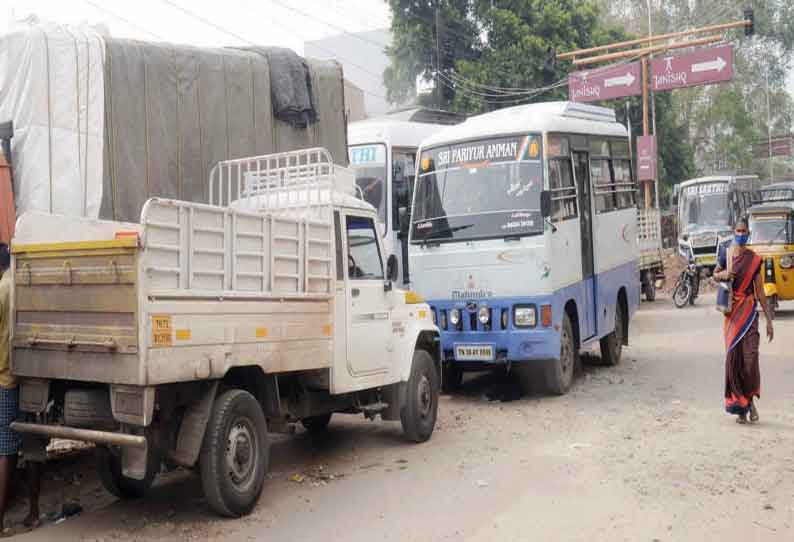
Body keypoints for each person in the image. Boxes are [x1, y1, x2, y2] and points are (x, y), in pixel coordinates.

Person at [713, 220, 774, 424]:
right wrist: (724, 274)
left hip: (749, 313)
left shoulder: (754, 260)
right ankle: (742, 408)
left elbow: (761, 291)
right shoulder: (726, 253)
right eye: (737, 231)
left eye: (744, 231)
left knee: (750, 359)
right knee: (734, 361)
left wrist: (769, 319)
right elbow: (715, 274)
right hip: (731, 316)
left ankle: (749, 400)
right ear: (733, 232)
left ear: (748, 233)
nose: (740, 234)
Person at [0, 243, 40, 531]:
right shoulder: (26, 286)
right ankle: (34, 512)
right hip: (34, 377)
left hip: (5, 379)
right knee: (34, 444)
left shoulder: (1, 290)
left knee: (4, 448)